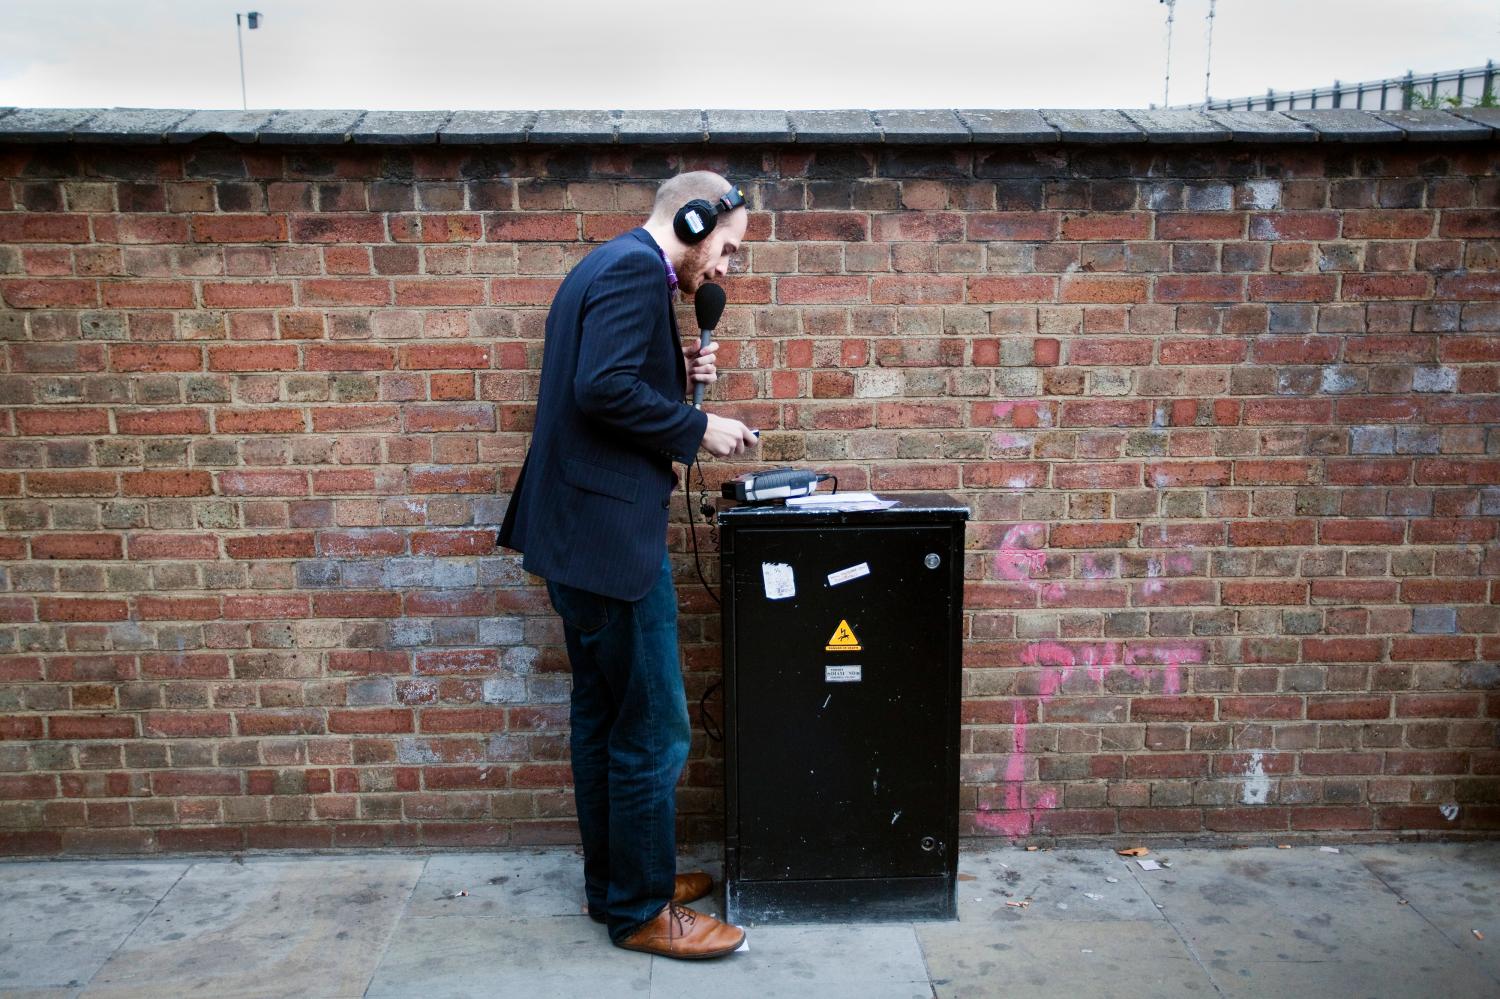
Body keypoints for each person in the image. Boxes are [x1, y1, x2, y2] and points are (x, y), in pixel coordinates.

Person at [497, 171, 759, 959]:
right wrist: (696, 424)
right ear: (692, 219)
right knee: (653, 727)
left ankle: (616, 881)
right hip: (610, 543)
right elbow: (602, 386)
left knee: (603, 716)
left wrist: (673, 379)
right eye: (726, 248)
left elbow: (602, 390)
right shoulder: (632, 272)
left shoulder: (607, 266)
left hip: (580, 534)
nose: (724, 268)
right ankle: (642, 908)